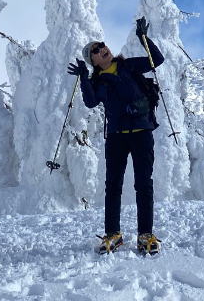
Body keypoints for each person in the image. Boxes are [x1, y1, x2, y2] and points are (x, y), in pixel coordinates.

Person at [68, 18, 164, 255]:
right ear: (93, 62)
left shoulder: (129, 66)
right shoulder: (97, 82)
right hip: (116, 137)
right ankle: (113, 234)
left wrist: (144, 38)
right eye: (96, 52)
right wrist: (83, 78)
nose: (102, 50)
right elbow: (90, 102)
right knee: (113, 186)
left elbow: (157, 60)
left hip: (142, 132)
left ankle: (145, 235)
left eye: (101, 46)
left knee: (143, 184)